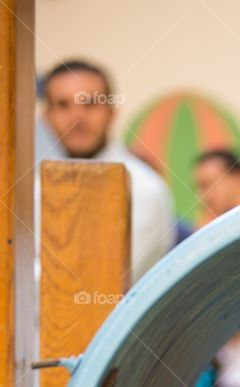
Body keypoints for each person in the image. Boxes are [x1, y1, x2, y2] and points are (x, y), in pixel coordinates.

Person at [39, 60, 176, 281]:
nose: (77, 118)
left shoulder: (143, 189)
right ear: (47, 117)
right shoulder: (36, 188)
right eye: (63, 105)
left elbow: (98, 284)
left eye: (90, 104)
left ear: (111, 111)